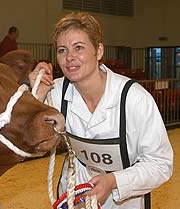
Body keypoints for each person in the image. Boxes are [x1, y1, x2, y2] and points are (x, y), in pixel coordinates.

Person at [29, 12, 173, 209]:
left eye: (78, 48)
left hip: (123, 201)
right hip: (75, 194)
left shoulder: (134, 99)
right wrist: (36, 96)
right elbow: (27, 142)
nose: (69, 57)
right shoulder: (54, 91)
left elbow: (161, 164)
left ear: (98, 51)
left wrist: (113, 181)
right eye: (62, 50)